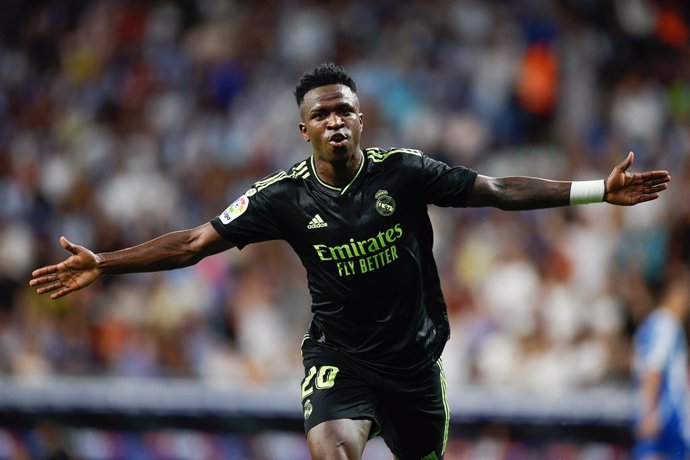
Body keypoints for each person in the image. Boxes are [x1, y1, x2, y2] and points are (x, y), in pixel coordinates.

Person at [30, 63, 671, 460]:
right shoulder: (278, 198)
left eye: (344, 110)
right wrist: (106, 263)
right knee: (333, 452)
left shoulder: (407, 172)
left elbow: (498, 192)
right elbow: (198, 243)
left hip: (415, 360)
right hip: (338, 356)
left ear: (361, 120)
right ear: (302, 130)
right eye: (320, 114)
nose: (334, 120)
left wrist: (598, 190)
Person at [632, 272, 690, 460]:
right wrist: (649, 413)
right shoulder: (666, 324)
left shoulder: (652, 323)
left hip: (657, 411)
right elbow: (653, 370)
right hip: (665, 415)